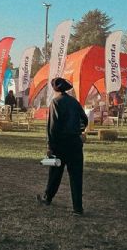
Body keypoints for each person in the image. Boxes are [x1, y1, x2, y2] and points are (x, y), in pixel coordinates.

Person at [37, 77, 88, 216]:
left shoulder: (55, 102)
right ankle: (78, 208)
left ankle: (47, 198)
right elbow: (85, 120)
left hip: (60, 145)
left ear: (54, 89)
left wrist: (50, 146)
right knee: (76, 177)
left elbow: (52, 128)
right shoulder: (74, 102)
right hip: (75, 145)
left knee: (54, 174)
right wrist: (79, 132)